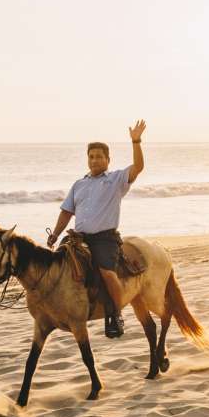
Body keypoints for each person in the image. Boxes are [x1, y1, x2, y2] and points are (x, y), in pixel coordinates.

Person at [47, 120, 146, 338]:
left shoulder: (116, 179)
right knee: (55, 266)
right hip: (78, 237)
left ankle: (116, 314)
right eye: (91, 156)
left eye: (99, 156)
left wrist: (136, 141)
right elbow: (66, 212)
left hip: (105, 239)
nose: (95, 160)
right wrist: (55, 234)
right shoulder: (78, 185)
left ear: (108, 160)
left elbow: (138, 167)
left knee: (108, 274)